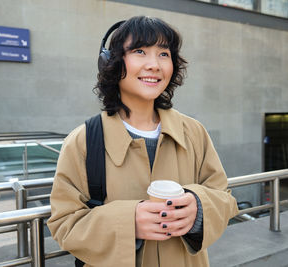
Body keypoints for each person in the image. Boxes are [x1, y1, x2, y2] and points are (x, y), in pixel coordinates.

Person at [47, 16, 238, 267]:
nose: (154, 65)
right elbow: (64, 224)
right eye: (139, 51)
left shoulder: (194, 132)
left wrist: (199, 208)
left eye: (163, 54)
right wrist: (128, 222)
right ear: (112, 62)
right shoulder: (83, 141)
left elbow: (224, 198)